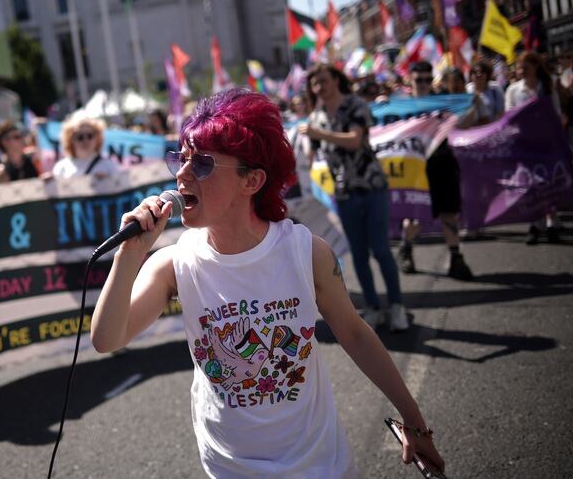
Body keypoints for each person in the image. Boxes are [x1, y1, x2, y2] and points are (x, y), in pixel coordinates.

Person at [90, 88, 444, 477]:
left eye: (203, 164)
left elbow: (356, 335)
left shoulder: (305, 252)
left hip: (319, 463)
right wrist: (130, 253)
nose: (182, 173)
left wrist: (415, 423)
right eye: (182, 158)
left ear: (252, 180)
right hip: (231, 468)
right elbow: (107, 339)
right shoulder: (174, 262)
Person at [301, 64, 408, 331]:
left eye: (323, 81)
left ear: (336, 80)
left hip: (372, 187)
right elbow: (310, 154)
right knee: (359, 254)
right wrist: (304, 142)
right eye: (314, 84)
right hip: (344, 193)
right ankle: (372, 307)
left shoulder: (356, 105)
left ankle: (396, 306)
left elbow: (354, 141)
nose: (319, 88)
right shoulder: (316, 117)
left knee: (381, 250)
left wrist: (317, 134)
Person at [398, 61, 473, 280]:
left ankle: (456, 258)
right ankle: (406, 249)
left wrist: (470, 104)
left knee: (449, 212)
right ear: (410, 81)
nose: (423, 84)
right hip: (415, 167)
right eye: (418, 79)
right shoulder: (401, 107)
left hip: (443, 163)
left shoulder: (444, 102)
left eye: (427, 79)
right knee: (413, 215)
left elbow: (464, 125)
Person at [505, 52, 565, 244]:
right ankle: (535, 224)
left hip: (546, 143)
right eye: (519, 67)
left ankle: (550, 223)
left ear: (535, 67)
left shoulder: (547, 87)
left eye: (525, 67)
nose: (521, 71)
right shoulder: (514, 91)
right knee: (530, 185)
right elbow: (508, 119)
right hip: (525, 144)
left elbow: (556, 113)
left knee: (548, 183)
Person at [51, 117, 119, 180]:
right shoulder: (61, 167)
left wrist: (108, 181)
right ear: (70, 140)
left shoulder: (109, 165)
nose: (85, 140)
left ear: (97, 138)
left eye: (90, 136)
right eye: (80, 137)